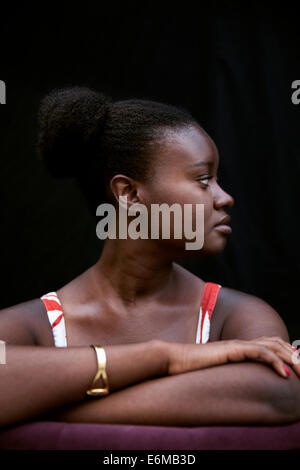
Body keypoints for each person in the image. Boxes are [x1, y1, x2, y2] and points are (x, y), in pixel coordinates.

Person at [0, 87, 299, 428]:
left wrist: (40, 402)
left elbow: (280, 393)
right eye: (203, 180)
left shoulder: (233, 316)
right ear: (128, 193)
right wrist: (164, 356)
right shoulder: (36, 325)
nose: (225, 198)